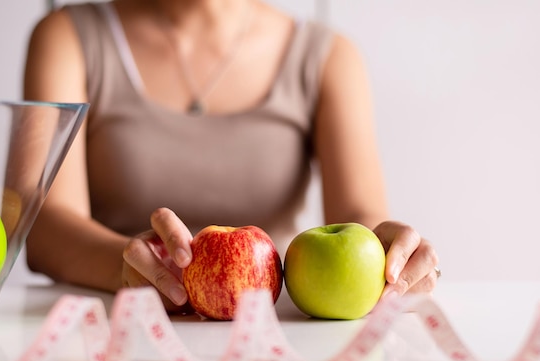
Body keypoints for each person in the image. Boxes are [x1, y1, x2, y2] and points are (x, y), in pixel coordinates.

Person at [22, 0, 439, 313]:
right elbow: (42, 228)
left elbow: (358, 220)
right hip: (122, 323)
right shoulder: (68, 37)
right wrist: (128, 267)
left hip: (278, 336)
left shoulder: (328, 56)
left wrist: (390, 256)